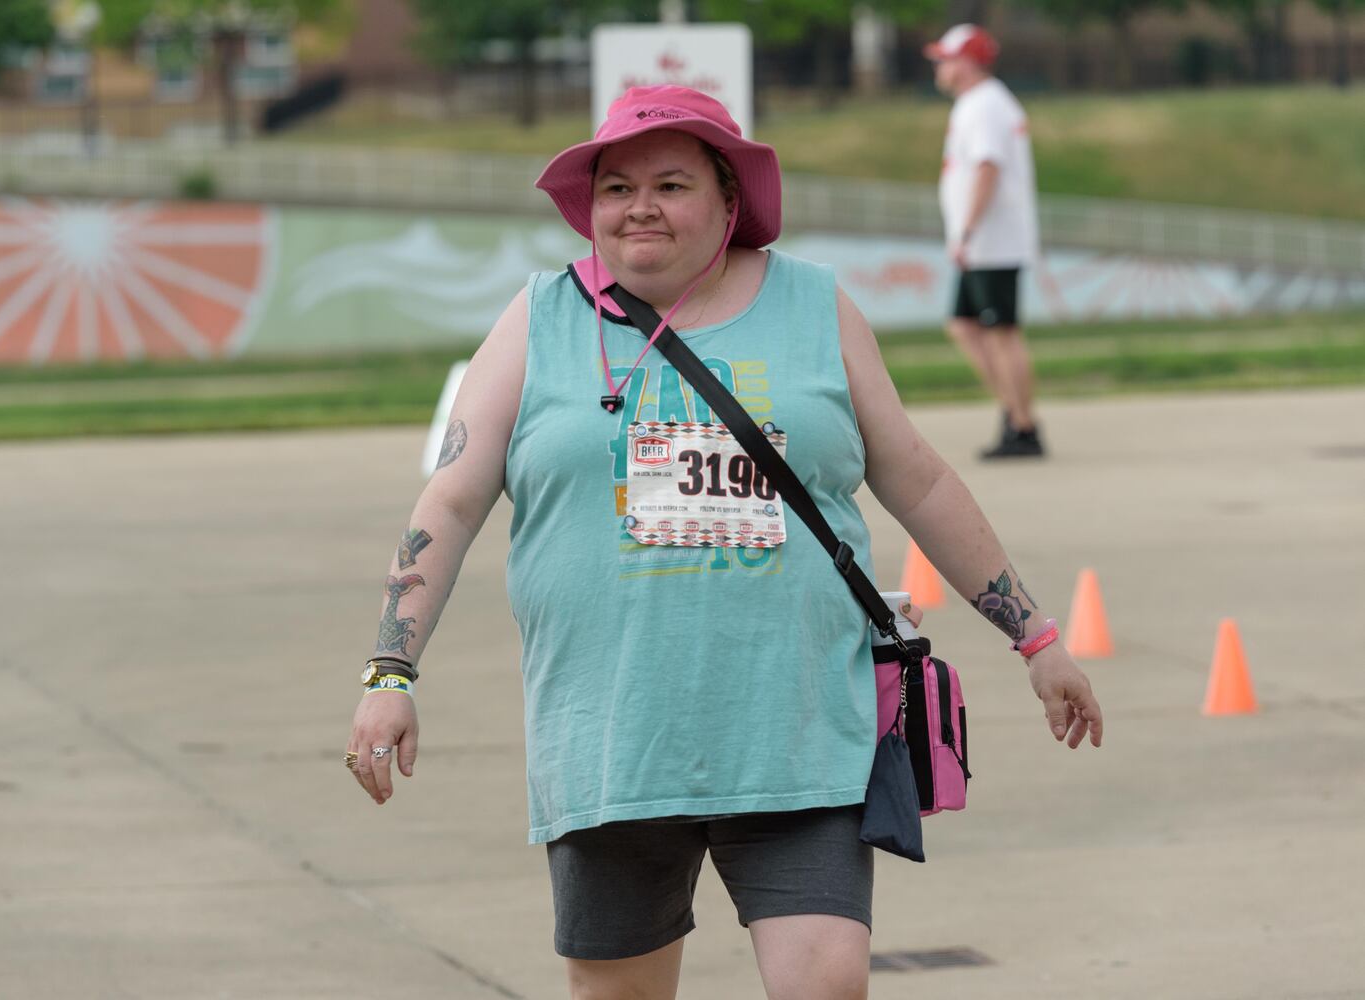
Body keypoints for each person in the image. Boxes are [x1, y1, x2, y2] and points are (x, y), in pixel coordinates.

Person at [344, 84, 1103, 1000]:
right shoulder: (538, 318)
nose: (640, 207)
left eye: (671, 184)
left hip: (797, 729)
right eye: (617, 187)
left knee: (827, 984)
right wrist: (391, 673)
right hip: (612, 739)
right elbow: (453, 499)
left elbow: (920, 478)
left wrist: (1037, 638)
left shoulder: (813, 306)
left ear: (730, 199)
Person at [927, 24, 1046, 459]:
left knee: (1001, 333)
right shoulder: (977, 103)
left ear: (967, 61)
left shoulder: (985, 105)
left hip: (992, 241)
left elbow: (987, 167)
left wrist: (968, 229)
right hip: (983, 243)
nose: (939, 67)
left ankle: (1023, 426)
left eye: (945, 59)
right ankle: (1014, 413)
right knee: (965, 325)